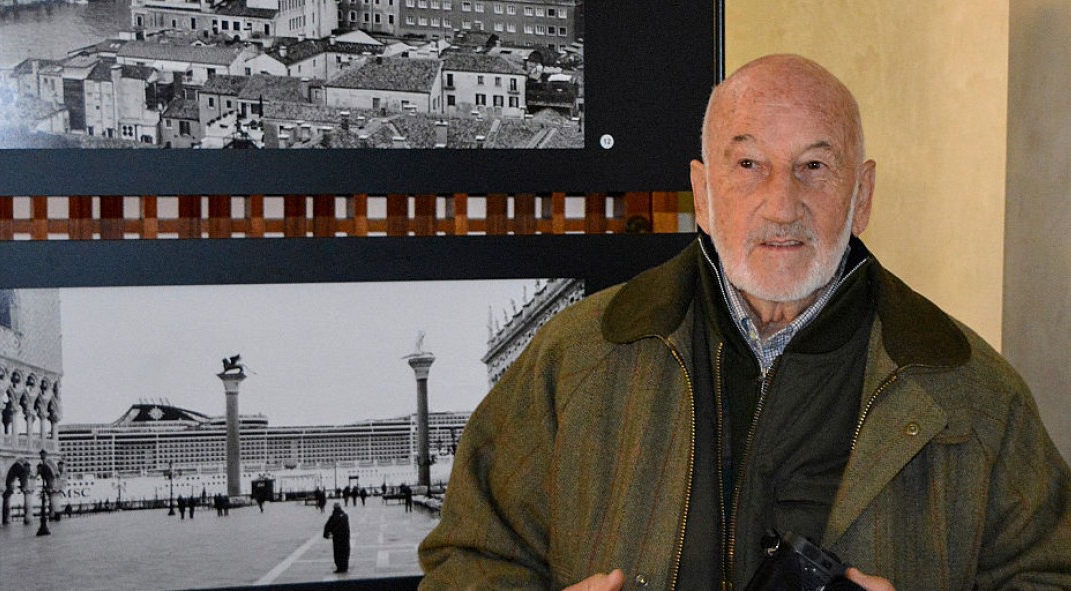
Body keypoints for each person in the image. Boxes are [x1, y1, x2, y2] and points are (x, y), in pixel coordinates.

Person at [418, 54, 1071, 591]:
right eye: (749, 164)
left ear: (862, 194)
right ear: (703, 194)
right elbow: (465, 562)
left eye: (815, 166)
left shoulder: (971, 392)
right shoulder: (576, 358)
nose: (781, 204)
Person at [323, 503, 351, 574]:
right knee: (345, 552)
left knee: (338, 552)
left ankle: (340, 567)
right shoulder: (345, 515)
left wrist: (326, 534)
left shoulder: (333, 517)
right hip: (345, 538)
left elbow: (327, 526)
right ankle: (344, 566)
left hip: (337, 538)